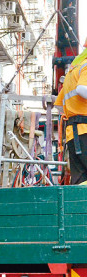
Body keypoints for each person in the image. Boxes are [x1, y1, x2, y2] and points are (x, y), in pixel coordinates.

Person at [56, 39, 87, 184]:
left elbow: (60, 105)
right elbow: (82, 89)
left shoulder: (73, 70)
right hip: (84, 131)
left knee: (80, 179)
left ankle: (79, 207)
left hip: (73, 135)